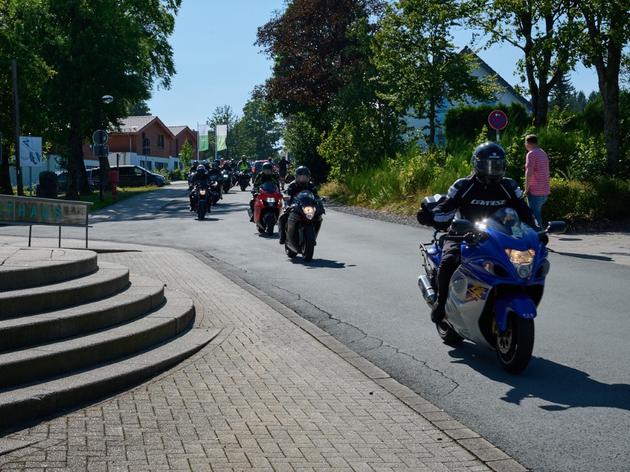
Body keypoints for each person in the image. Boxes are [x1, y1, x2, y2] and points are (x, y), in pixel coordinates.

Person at [418, 142, 536, 324]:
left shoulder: (509, 186)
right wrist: (431, 214)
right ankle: (441, 302)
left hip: (500, 237)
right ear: (477, 164)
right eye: (488, 165)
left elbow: (524, 211)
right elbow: (447, 205)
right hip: (463, 234)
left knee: (520, 262)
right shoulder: (464, 185)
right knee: (450, 260)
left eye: (497, 165)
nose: (492, 170)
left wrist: (536, 231)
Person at [278, 166, 319, 244]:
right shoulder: (292, 185)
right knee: (283, 217)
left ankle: (313, 237)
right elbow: (287, 194)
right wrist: (287, 199)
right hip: (295, 206)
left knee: (318, 217)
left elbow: (316, 196)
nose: (303, 178)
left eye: (305, 176)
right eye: (301, 176)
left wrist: (319, 201)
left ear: (308, 177)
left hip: (308, 207)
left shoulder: (311, 186)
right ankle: (283, 236)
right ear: (297, 176)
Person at [524, 134, 550, 228]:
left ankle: (539, 236)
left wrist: (526, 189)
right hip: (545, 190)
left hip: (535, 190)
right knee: (537, 213)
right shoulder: (542, 153)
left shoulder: (531, 154)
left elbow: (529, 172)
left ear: (527, 143)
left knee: (534, 216)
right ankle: (539, 233)